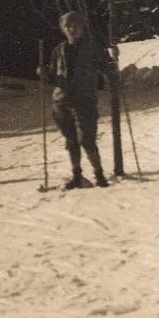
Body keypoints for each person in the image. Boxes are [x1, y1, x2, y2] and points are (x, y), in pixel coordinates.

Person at [42, 10, 110, 190]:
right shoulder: (58, 50)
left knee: (86, 139)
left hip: (85, 99)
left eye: (76, 26)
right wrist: (42, 74)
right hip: (61, 101)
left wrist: (113, 64)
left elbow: (107, 66)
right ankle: (77, 175)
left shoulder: (92, 48)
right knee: (70, 140)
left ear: (82, 27)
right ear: (63, 29)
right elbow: (51, 75)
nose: (72, 29)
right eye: (68, 26)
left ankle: (99, 174)